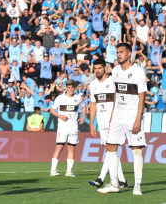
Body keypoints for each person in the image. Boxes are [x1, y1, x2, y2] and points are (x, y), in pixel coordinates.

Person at [97, 43, 147, 195]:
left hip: (132, 115)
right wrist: (113, 115)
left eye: (121, 52)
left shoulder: (138, 72)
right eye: (117, 52)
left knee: (136, 149)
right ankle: (114, 183)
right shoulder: (116, 71)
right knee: (110, 146)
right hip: (118, 115)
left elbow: (142, 97)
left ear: (129, 53)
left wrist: (137, 119)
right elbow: (116, 94)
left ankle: (137, 185)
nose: (118, 55)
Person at [88, 58, 128, 189]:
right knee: (111, 151)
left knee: (110, 150)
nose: (97, 71)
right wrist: (92, 123)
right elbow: (93, 104)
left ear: (105, 68)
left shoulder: (112, 82)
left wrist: (114, 116)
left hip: (114, 121)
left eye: (99, 68)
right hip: (102, 122)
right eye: (95, 68)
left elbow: (118, 100)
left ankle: (101, 178)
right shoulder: (93, 84)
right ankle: (121, 180)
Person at [50, 79, 86, 177]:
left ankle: (69, 171)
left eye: (72, 87)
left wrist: (83, 117)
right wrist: (60, 116)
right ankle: (53, 170)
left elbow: (83, 106)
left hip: (73, 127)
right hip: (62, 127)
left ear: (75, 88)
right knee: (59, 147)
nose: (70, 89)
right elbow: (52, 110)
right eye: (68, 87)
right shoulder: (60, 98)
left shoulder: (78, 98)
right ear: (66, 88)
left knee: (71, 148)